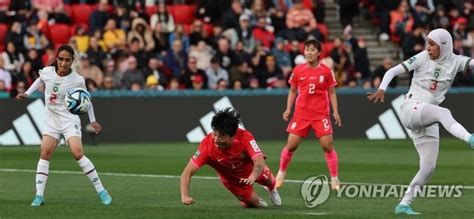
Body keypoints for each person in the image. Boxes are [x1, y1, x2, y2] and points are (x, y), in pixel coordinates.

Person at [367, 28, 474, 215]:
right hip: (411, 108)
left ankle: (404, 204)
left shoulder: (456, 61)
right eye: (428, 43)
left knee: (428, 167)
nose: (428, 47)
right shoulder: (422, 57)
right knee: (444, 112)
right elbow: (393, 71)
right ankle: (470, 138)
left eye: (432, 44)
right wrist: (382, 88)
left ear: (444, 46)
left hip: (427, 117)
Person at [16, 45, 112, 207]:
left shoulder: (77, 80)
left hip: (69, 120)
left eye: (67, 60)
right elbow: (39, 80)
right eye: (61, 59)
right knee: (45, 153)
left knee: (78, 154)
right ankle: (39, 196)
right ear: (56, 58)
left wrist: (93, 120)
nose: (63, 63)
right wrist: (27, 93)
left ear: (72, 61)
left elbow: (86, 100)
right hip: (51, 120)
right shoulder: (47, 72)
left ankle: (102, 190)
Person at [180, 108, 281, 208]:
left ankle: (271, 190)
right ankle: (247, 201)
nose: (216, 139)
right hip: (232, 181)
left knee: (270, 181)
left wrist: (252, 177)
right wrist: (185, 196)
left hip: (250, 170)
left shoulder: (245, 137)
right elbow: (186, 173)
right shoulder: (206, 146)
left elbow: (259, 162)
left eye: (221, 136)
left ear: (233, 136)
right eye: (214, 134)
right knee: (261, 206)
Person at [275, 39, 342, 190]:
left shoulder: (326, 71)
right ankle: (280, 174)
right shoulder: (298, 70)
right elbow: (292, 91)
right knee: (291, 146)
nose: (309, 53)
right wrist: (288, 108)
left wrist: (335, 111)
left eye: (312, 50)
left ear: (318, 53)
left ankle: (335, 179)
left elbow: (332, 92)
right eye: (306, 50)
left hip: (320, 115)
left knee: (327, 147)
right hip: (301, 114)